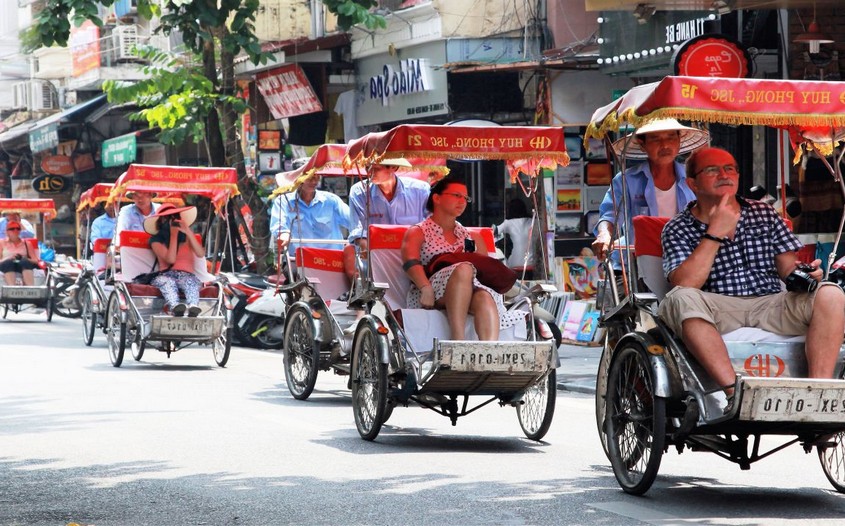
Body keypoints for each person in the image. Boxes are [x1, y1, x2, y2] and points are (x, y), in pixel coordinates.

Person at [659, 147, 845, 411]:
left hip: (770, 302)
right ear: (692, 183)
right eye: (712, 170)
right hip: (717, 307)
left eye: (730, 168)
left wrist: (806, 273)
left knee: (831, 293)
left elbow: (787, 269)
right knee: (680, 297)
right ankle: (735, 394)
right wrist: (714, 233)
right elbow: (686, 282)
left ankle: (819, 395)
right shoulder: (678, 227)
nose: (724, 175)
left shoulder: (764, 214)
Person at [401, 176, 524, 341]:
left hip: (471, 290)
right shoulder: (418, 231)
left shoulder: (472, 236)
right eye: (456, 195)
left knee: (484, 297)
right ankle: (458, 342)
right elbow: (410, 263)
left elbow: (483, 271)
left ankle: (490, 352)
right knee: (464, 268)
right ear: (436, 198)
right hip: (432, 291)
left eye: (465, 198)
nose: (463, 201)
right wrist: (425, 287)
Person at [592, 118, 709, 263]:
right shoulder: (626, 180)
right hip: (638, 264)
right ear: (642, 145)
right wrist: (604, 234)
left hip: (687, 260)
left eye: (671, 137)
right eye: (655, 139)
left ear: (679, 141)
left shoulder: (694, 179)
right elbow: (610, 215)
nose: (665, 145)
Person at [345, 157, 430, 280]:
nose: (370, 172)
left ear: (394, 168)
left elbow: (432, 226)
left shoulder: (420, 190)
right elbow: (359, 233)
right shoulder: (359, 192)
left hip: (416, 258)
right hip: (376, 261)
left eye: (376, 168)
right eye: (367, 167)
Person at [143, 203, 205, 317]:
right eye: (166, 218)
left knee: (190, 282)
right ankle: (175, 307)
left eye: (174, 217)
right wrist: (173, 236)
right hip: (166, 275)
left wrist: (188, 231)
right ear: (161, 221)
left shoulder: (188, 237)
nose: (171, 221)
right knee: (167, 283)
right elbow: (171, 260)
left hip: (187, 275)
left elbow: (200, 253)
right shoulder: (155, 240)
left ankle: (193, 307)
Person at [270, 172, 351, 256]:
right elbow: (279, 224)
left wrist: (356, 241)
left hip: (331, 260)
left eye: (317, 178)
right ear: (298, 178)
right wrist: (284, 234)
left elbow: (353, 221)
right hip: (299, 261)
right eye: (309, 178)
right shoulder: (284, 201)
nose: (314, 182)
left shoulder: (331, 200)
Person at [495, 199, 534, 271]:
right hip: (532, 262)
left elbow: (494, 231)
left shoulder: (508, 223)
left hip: (515, 263)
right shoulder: (532, 222)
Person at [0, 221, 38, 285]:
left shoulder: (27, 243)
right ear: (7, 232)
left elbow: (35, 261)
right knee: (8, 262)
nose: (15, 230)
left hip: (22, 265)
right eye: (12, 229)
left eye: (18, 229)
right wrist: (9, 258)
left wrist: (24, 258)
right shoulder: (1, 243)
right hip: (6, 266)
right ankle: (12, 288)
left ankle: (30, 288)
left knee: (25, 261)